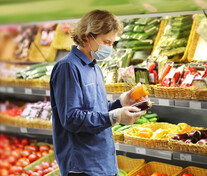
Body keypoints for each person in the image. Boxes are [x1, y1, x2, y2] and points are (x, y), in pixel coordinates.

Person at [50, 10, 146, 176]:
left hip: (103, 163)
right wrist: (114, 117)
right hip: (82, 167)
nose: (109, 48)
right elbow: (71, 118)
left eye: (112, 43)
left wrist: (122, 102)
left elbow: (94, 111)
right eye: (106, 42)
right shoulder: (68, 68)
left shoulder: (94, 67)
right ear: (88, 36)